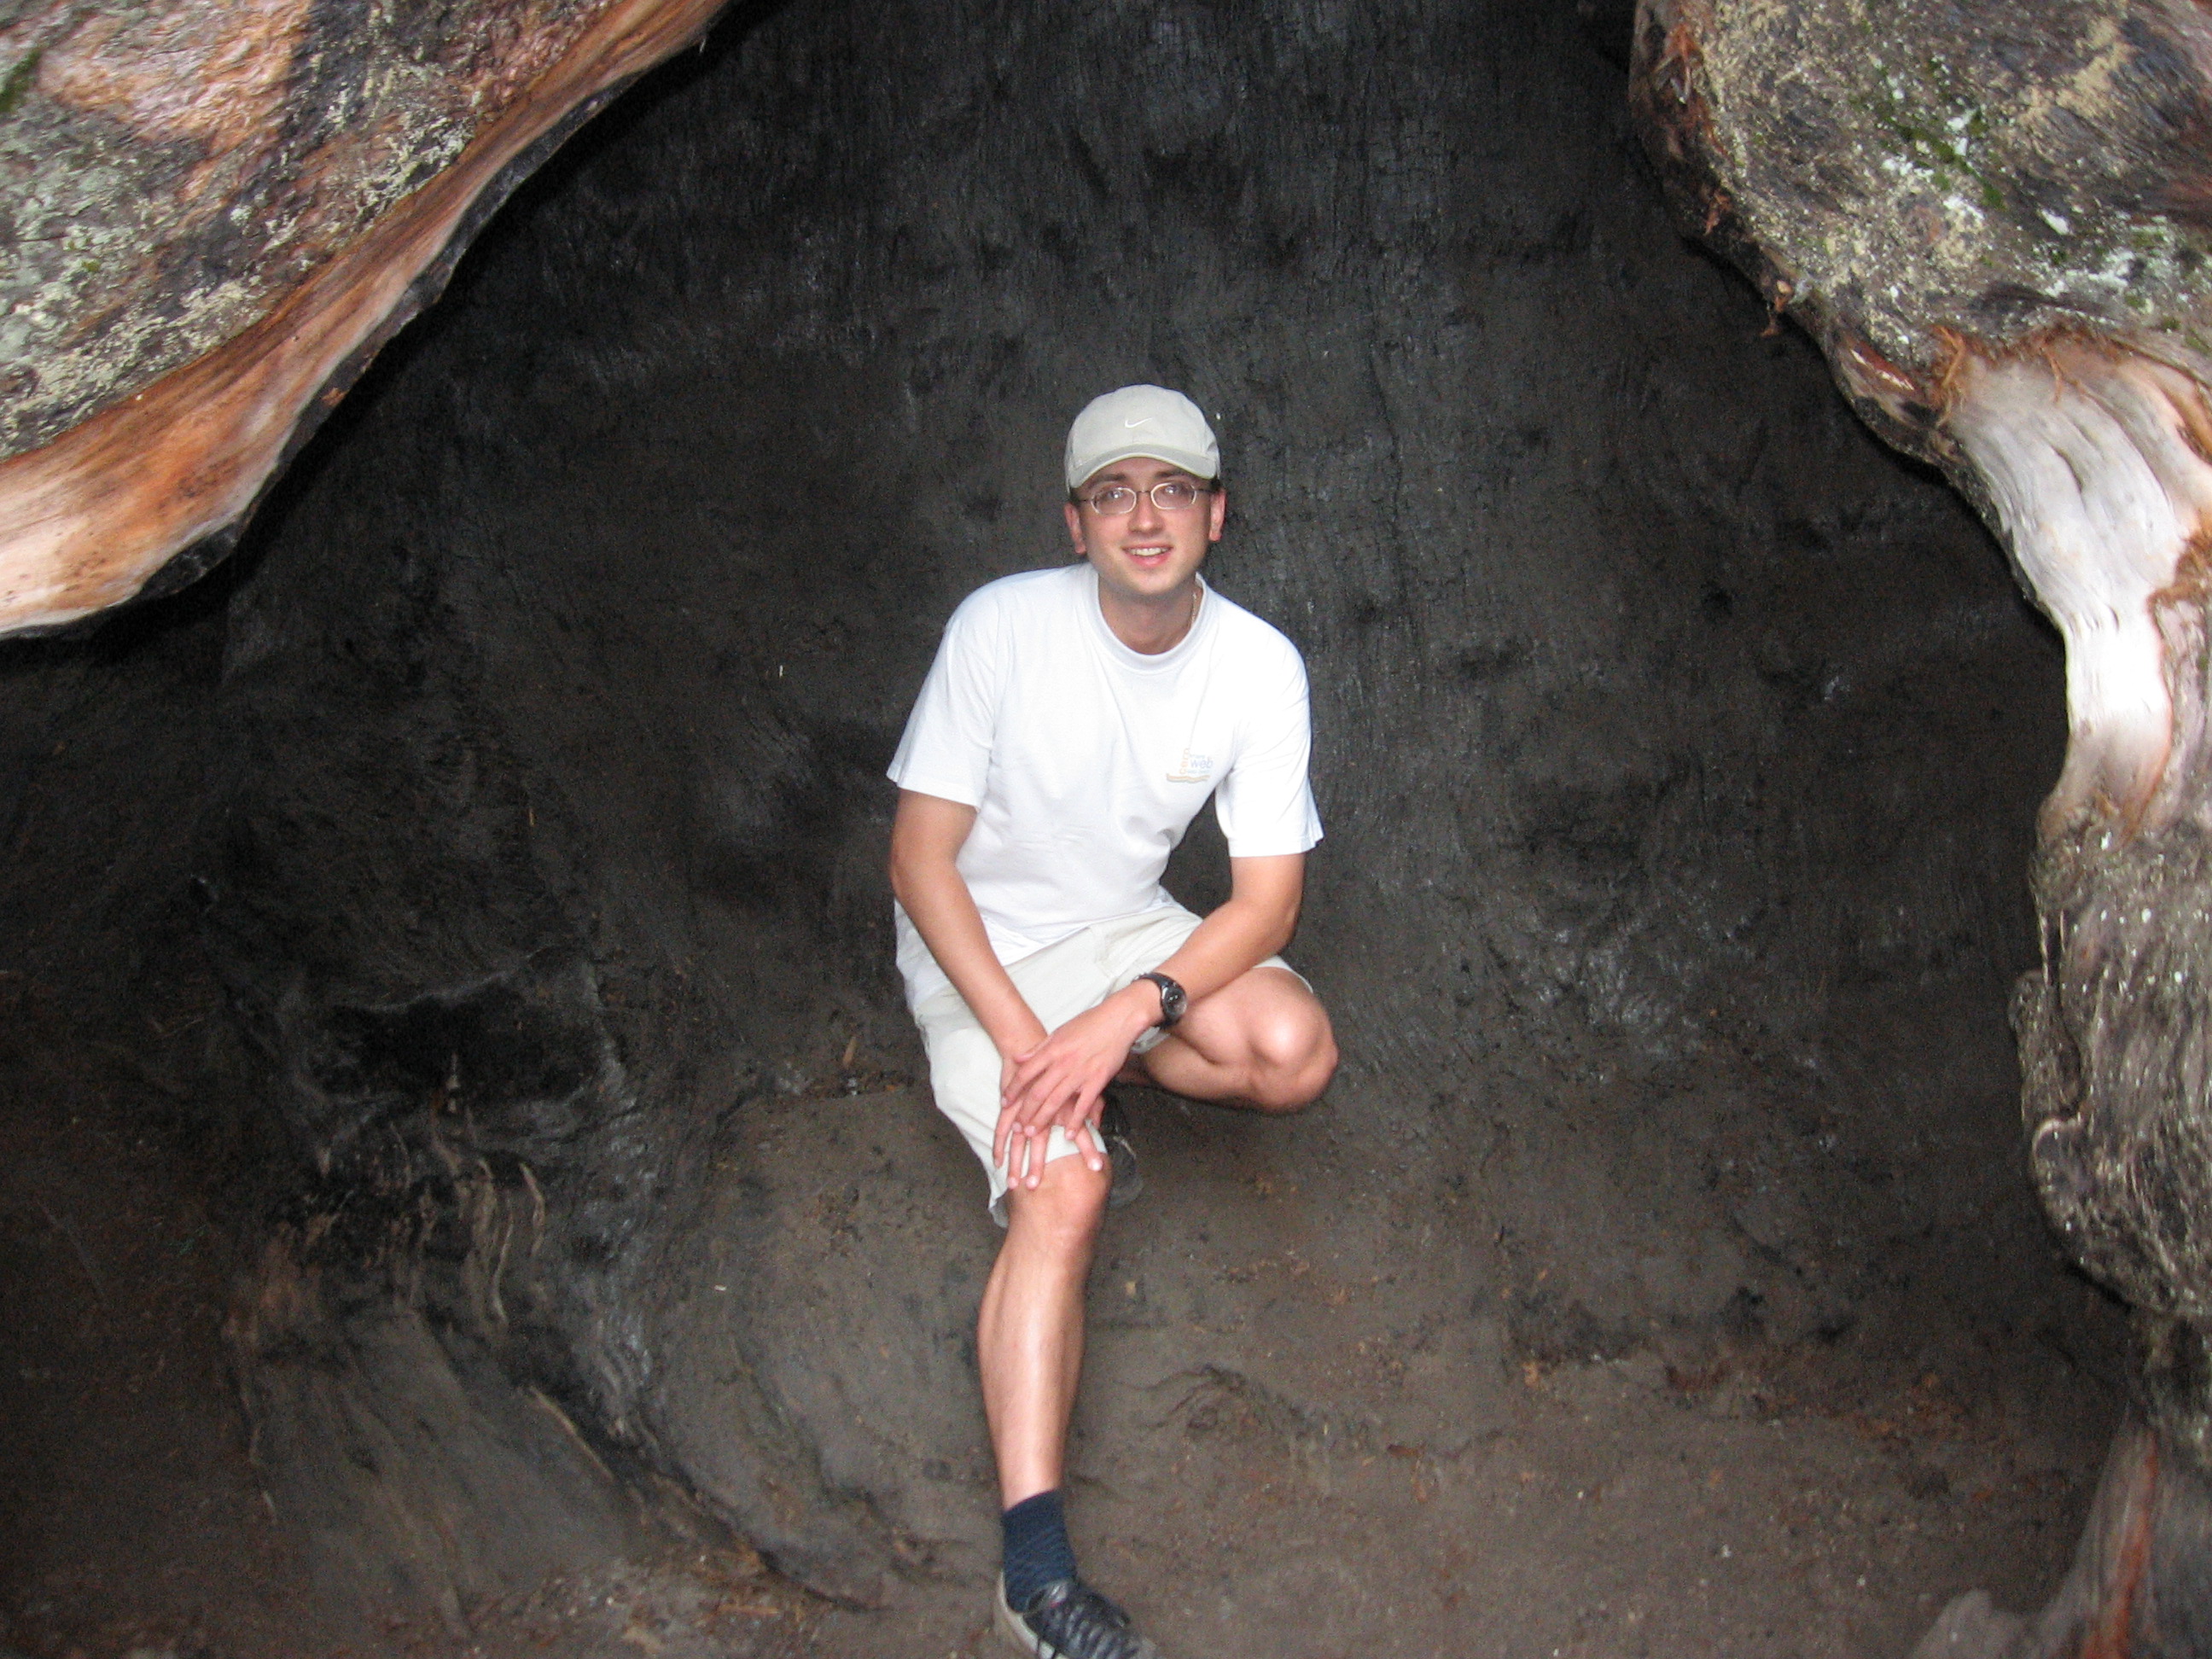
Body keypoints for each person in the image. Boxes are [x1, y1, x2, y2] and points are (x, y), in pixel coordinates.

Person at [886, 384, 1338, 1658]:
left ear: (1217, 515)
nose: (1146, 518)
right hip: (979, 955)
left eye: (1173, 490)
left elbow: (1268, 902)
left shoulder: (1258, 665)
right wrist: (1034, 1048)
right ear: (1075, 522)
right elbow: (918, 861)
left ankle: (1112, 1065)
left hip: (1124, 933)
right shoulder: (1001, 628)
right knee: (1068, 1189)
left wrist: (1126, 1015)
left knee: (1293, 1052)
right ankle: (1035, 1584)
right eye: (1114, 494)